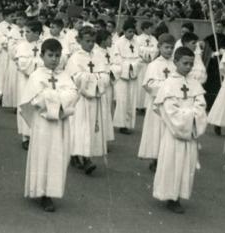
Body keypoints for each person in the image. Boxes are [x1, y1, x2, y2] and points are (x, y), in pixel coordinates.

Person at [20, 39, 78, 212]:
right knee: (43, 155)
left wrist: (52, 97)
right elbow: (34, 99)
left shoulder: (64, 76)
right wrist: (58, 97)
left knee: (57, 157)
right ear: (41, 55)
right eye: (50, 55)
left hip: (60, 123)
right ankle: (40, 191)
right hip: (43, 123)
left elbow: (73, 94)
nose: (54, 59)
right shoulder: (36, 76)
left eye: (57, 56)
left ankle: (50, 192)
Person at [152, 46, 207, 214]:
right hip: (174, 133)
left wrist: (191, 118)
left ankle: (179, 195)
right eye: (185, 63)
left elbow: (201, 105)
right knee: (172, 164)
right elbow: (169, 110)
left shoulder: (194, 83)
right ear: (176, 62)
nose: (189, 67)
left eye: (191, 64)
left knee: (186, 166)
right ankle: (170, 196)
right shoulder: (169, 84)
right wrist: (189, 118)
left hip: (190, 132)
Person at [65, 26, 109, 174]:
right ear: (79, 41)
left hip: (95, 98)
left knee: (90, 129)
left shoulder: (99, 56)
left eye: (92, 41)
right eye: (87, 41)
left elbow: (106, 75)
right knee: (81, 128)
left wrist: (94, 79)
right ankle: (82, 158)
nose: (90, 44)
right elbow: (76, 77)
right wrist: (96, 78)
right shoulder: (75, 58)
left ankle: (81, 156)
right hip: (81, 99)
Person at [138, 33, 177, 171]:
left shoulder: (175, 64)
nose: (169, 50)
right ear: (159, 47)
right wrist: (168, 86)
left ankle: (166, 158)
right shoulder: (154, 65)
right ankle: (155, 158)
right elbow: (148, 84)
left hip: (172, 104)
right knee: (156, 131)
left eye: (172, 47)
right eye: (166, 47)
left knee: (168, 131)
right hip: (157, 104)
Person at [15, 20, 44, 149]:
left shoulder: (44, 45)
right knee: (25, 104)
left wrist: (37, 63)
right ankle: (25, 136)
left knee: (38, 105)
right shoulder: (22, 46)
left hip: (40, 81)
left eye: (28, 32)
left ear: (37, 33)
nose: (25, 34)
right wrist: (39, 63)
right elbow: (23, 64)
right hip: (25, 80)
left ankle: (37, 135)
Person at [113, 19, 141, 134]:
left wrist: (134, 66)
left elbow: (140, 57)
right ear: (124, 31)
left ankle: (128, 124)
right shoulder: (118, 43)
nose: (131, 34)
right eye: (129, 31)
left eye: (133, 32)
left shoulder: (137, 41)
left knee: (131, 100)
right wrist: (128, 66)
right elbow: (116, 59)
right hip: (123, 75)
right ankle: (121, 125)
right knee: (122, 100)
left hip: (133, 73)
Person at [202, 20, 225, 110]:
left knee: (219, 84)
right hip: (211, 65)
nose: (218, 28)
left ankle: (219, 106)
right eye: (217, 26)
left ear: (223, 28)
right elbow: (205, 50)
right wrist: (211, 53)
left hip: (220, 64)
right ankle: (209, 105)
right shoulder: (209, 38)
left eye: (220, 26)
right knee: (210, 84)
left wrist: (223, 52)